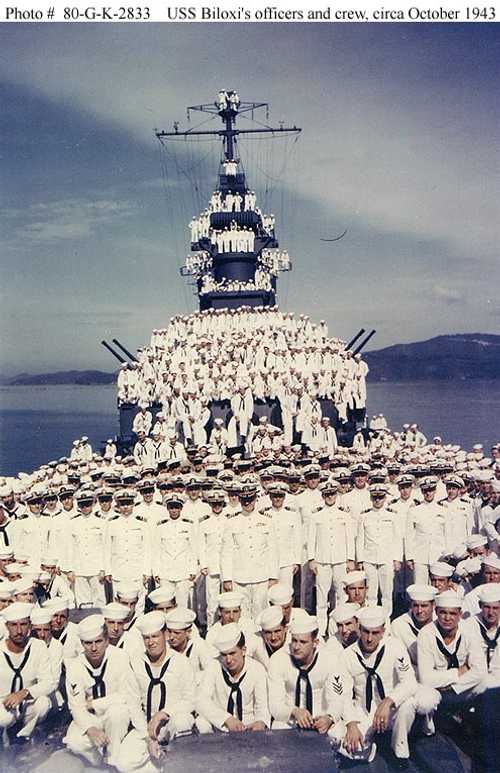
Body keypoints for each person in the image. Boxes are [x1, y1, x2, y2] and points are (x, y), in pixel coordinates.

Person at [340, 606, 438, 767]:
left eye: (375, 633)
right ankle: (370, 745)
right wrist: (351, 723)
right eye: (365, 632)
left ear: (383, 631)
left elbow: (409, 681)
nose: (369, 638)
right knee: (349, 746)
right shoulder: (347, 655)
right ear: (359, 628)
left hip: (393, 707)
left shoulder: (395, 647)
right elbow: (343, 694)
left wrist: (388, 701)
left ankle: (399, 752)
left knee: (408, 705)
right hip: (366, 709)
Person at [117, 611, 195, 771]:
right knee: (124, 763)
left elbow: (190, 700)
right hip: (146, 727)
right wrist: (148, 738)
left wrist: (163, 713)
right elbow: (133, 703)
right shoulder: (135, 662)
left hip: (172, 722)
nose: (151, 642)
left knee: (183, 721)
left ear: (165, 635)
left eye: (155, 636)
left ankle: (176, 762)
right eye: (147, 638)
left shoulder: (181, 662)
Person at [64, 614, 132, 767]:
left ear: (107, 640)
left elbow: (126, 695)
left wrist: (95, 703)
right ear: (81, 643)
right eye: (88, 643)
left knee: (118, 713)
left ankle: (113, 760)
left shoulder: (120, 657)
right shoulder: (75, 666)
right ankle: (100, 762)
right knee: (74, 742)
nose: (94, 648)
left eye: (98, 641)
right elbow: (76, 706)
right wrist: (90, 729)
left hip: (113, 713)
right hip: (90, 717)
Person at [268, 613, 346, 736]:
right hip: (289, 719)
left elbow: (338, 698)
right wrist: (294, 711)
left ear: (315, 642)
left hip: (321, 718)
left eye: (303, 642)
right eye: (294, 641)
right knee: (278, 733)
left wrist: (329, 718)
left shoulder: (331, 660)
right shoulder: (278, 659)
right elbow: (275, 705)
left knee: (339, 734)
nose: (296, 647)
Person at [196, 622, 270, 733]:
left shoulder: (257, 669)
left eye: (232, 653)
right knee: (201, 722)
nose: (228, 660)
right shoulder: (214, 666)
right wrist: (226, 719)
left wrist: (260, 722)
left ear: (243, 650)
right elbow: (201, 700)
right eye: (224, 655)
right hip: (222, 725)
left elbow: (262, 706)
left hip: (248, 726)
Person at [220, 482, 279, 619]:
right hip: (240, 577)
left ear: (255, 499)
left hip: (262, 576)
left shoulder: (267, 521)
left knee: (262, 612)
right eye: (244, 500)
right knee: (243, 615)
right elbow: (226, 553)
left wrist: (273, 576)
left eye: (250, 499)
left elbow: (273, 551)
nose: (247, 503)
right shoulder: (231, 522)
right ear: (239, 500)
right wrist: (227, 578)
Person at [308, 478, 355, 635]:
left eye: (332, 494)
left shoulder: (344, 515)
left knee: (342, 596)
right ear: (322, 495)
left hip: (341, 560)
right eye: (327, 494)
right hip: (322, 561)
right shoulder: (316, 516)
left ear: (336, 494)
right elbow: (311, 539)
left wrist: (350, 559)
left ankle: (339, 630)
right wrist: (311, 559)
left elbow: (350, 538)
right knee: (322, 599)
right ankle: (321, 632)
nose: (330, 497)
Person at [0, 602, 53, 740]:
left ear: (30, 626)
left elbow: (48, 682)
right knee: (4, 719)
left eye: (23, 625)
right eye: (14, 625)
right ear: (7, 627)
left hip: (27, 702)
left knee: (43, 703)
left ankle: (25, 736)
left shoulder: (38, 646)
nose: (19, 631)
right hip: (3, 706)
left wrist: (24, 693)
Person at [357, 484, 402, 616]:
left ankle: (386, 620)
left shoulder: (392, 516)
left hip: (386, 558)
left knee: (387, 593)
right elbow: (360, 539)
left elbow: (397, 539)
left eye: (380, 497)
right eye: (375, 497)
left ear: (385, 498)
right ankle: (370, 618)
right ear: (371, 498)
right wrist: (360, 560)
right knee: (370, 593)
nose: (377, 500)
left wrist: (397, 559)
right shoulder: (364, 516)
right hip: (369, 558)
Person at [152, 494, 197, 609]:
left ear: (181, 508)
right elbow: (156, 550)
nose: (174, 510)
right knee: (166, 603)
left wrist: (193, 569)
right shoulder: (161, 526)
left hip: (183, 571)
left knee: (182, 604)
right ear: (167, 508)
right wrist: (156, 572)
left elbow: (193, 549)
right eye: (171, 507)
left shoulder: (188, 525)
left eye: (177, 507)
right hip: (165, 572)